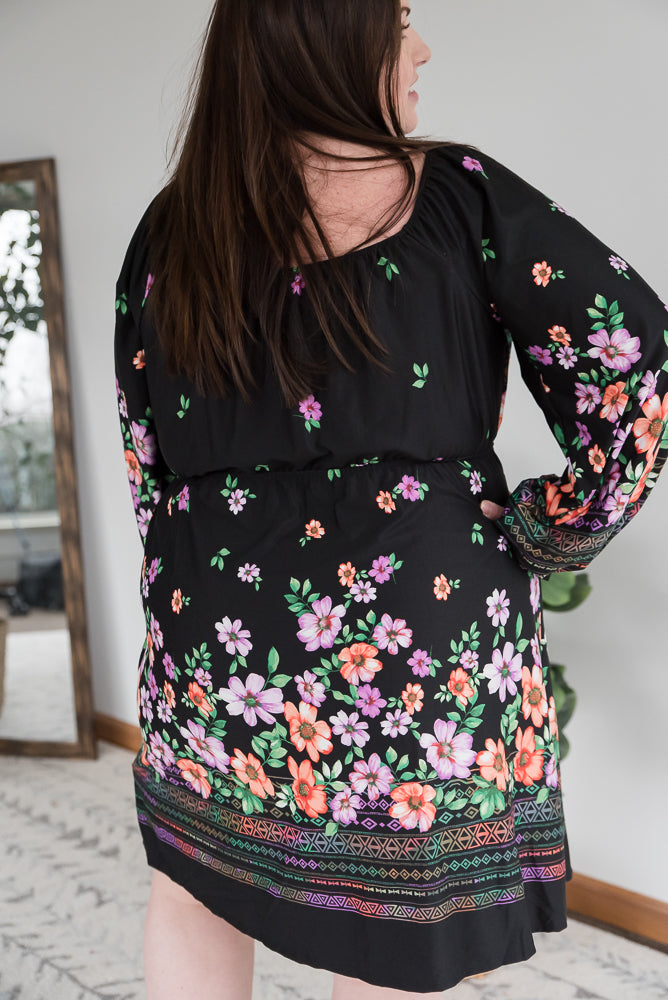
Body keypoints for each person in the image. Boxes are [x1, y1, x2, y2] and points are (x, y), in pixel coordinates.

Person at [113, 2, 668, 997]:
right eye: (400, 17)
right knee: (396, 930)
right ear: (326, 31)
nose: (421, 46)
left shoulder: (169, 229)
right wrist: (559, 526)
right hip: (407, 640)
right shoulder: (454, 196)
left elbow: (147, 457)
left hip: (213, 632)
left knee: (196, 888)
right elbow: (631, 357)